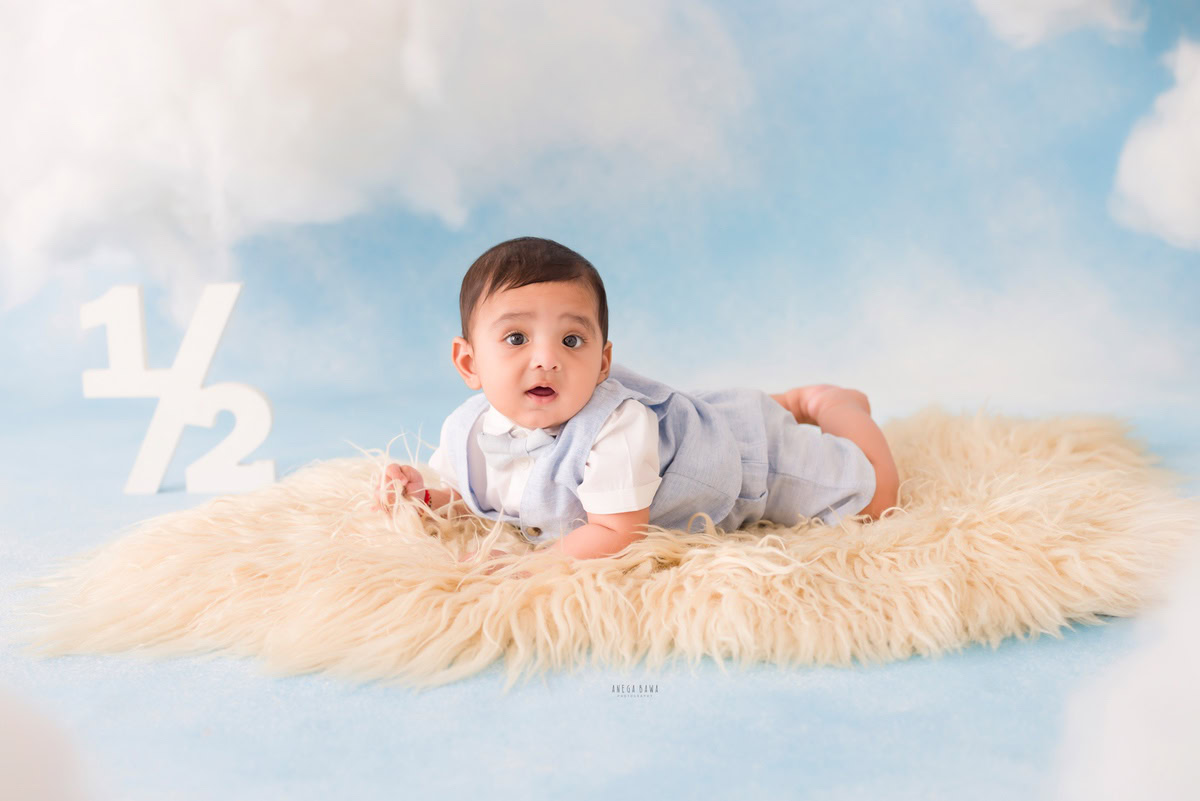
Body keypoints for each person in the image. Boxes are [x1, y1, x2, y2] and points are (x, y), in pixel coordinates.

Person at [375, 236, 899, 565]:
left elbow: (617, 531)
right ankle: (781, 400)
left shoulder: (617, 426)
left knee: (878, 499)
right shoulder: (470, 430)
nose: (546, 359)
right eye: (516, 339)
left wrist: (522, 568)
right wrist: (423, 498)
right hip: (695, 423)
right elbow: (487, 499)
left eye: (571, 340)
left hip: (747, 461)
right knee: (713, 409)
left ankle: (829, 403)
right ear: (469, 363)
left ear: (602, 364)